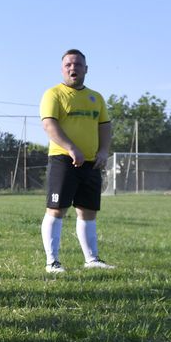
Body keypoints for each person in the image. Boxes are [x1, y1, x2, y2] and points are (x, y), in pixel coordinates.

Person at [39, 49, 113, 273]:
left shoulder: (96, 97)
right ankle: (52, 262)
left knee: (88, 210)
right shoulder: (53, 94)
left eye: (78, 65)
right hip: (63, 160)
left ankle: (92, 259)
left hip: (91, 163)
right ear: (62, 69)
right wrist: (71, 148)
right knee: (56, 209)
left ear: (86, 69)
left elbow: (105, 126)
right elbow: (49, 124)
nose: (73, 68)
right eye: (69, 65)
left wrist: (103, 151)